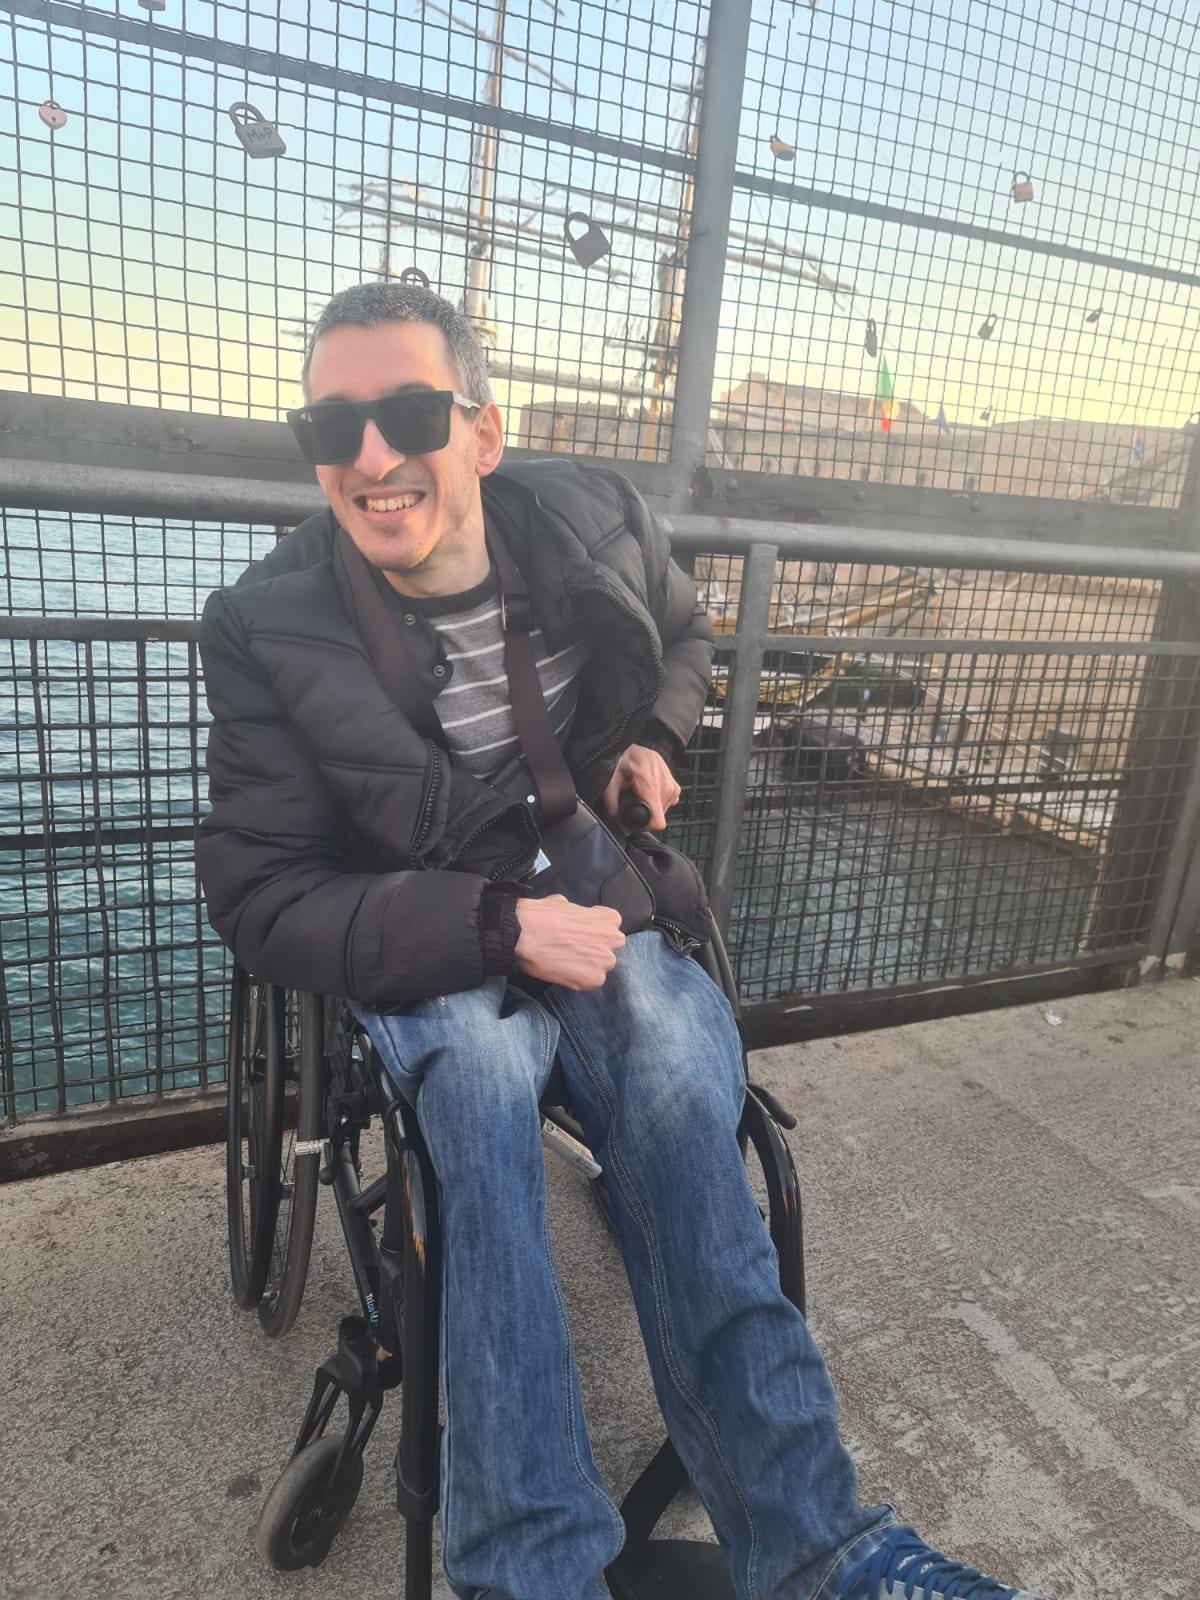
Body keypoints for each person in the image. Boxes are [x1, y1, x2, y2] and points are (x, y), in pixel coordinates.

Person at [197, 281, 1044, 1600]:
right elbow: (263, 896)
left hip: (590, 882)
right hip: (427, 920)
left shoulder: (598, 516)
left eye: (408, 414)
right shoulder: (264, 621)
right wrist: (493, 925)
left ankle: (822, 1548)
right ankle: (530, 1567)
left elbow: (686, 635)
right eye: (333, 427)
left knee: (673, 1070)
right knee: (477, 1083)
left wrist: (653, 734)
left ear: (483, 432)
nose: (370, 455)